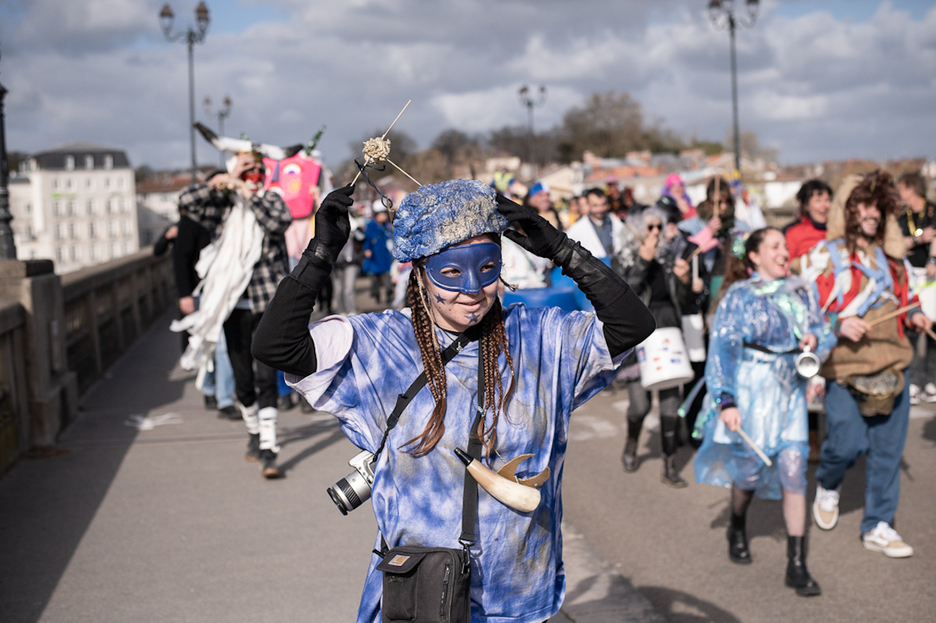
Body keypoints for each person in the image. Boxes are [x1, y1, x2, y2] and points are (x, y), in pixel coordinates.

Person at [252, 179, 655, 623]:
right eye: (451, 273)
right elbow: (276, 348)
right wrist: (320, 255)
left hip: (518, 596)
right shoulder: (378, 345)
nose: (472, 290)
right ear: (421, 273)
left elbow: (631, 326)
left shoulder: (541, 337)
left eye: (486, 269)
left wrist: (562, 249)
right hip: (424, 599)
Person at [693, 227, 836, 596]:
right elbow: (722, 348)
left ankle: (797, 564)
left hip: (790, 390)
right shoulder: (739, 296)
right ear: (754, 256)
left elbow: (824, 328)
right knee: (751, 471)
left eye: (784, 246)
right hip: (752, 389)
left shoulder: (802, 290)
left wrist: (816, 340)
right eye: (774, 246)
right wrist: (726, 399)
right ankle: (737, 523)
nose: (784, 252)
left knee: (794, 469)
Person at [798, 170, 931, 558]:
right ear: (848, 207)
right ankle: (828, 482)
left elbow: (906, 300)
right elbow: (804, 314)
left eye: (878, 206)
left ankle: (878, 525)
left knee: (888, 450)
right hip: (844, 368)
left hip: (894, 364)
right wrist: (839, 323)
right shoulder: (824, 257)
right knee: (844, 445)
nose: (872, 213)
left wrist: (917, 316)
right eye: (863, 204)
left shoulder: (893, 261)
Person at [175, 150, 292, 478]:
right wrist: (222, 183)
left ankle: (270, 447)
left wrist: (247, 193)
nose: (253, 173)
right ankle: (254, 432)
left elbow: (277, 223)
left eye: (258, 168)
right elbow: (186, 201)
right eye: (247, 168)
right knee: (243, 381)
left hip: (265, 302)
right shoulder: (222, 207)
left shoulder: (271, 199)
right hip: (230, 305)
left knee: (266, 376)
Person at [615, 206, 694, 486]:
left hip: (669, 333)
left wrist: (685, 281)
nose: (656, 233)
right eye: (650, 227)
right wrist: (641, 262)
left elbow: (680, 299)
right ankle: (631, 443)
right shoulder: (623, 259)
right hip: (641, 337)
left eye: (659, 227)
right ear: (636, 228)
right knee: (640, 405)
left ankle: (670, 466)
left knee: (671, 405)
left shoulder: (667, 257)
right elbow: (624, 295)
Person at [896, 171, 936, 403]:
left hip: (933, 280)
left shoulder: (933, 211)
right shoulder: (903, 217)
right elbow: (897, 244)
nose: (899, 193)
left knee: (933, 331)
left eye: (901, 188)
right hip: (913, 279)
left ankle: (931, 380)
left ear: (911, 188)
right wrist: (917, 240)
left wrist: (933, 259)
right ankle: (912, 382)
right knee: (911, 328)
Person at [565, 188, 625, 260]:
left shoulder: (616, 222)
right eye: (595, 205)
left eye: (603, 204)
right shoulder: (576, 229)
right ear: (588, 205)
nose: (600, 209)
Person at [785, 179, 833, 264]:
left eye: (827, 200)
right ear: (805, 205)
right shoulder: (793, 234)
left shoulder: (839, 231)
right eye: (818, 200)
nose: (824, 205)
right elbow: (787, 267)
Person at [362, 201, 394, 305]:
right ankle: (376, 294)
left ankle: (389, 294)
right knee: (375, 277)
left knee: (387, 276)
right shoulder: (370, 226)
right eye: (381, 214)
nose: (383, 216)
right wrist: (367, 249)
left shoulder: (387, 226)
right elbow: (367, 240)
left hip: (385, 254)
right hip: (374, 255)